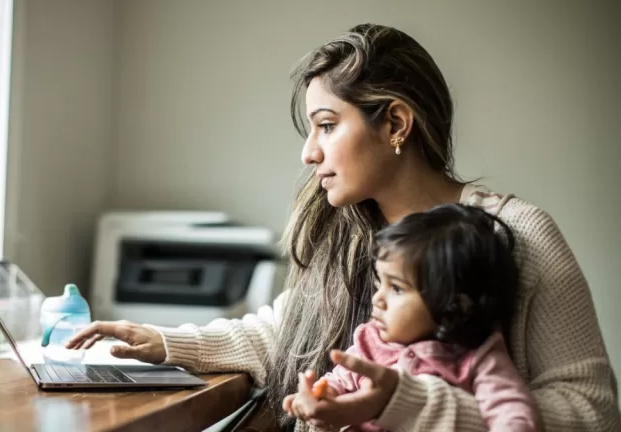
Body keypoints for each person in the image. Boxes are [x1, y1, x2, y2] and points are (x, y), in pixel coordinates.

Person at [66, 23, 620, 431]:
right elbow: (283, 336)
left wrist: (402, 404)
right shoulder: (345, 232)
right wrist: (162, 342)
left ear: (397, 123)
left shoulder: (516, 236)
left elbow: (592, 412)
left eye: (327, 126)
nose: (309, 153)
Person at [282, 203, 539, 431]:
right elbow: (337, 382)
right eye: (378, 282)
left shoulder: (478, 357)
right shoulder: (371, 341)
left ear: (455, 305)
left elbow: (514, 414)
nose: (377, 298)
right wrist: (319, 396)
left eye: (396, 288)